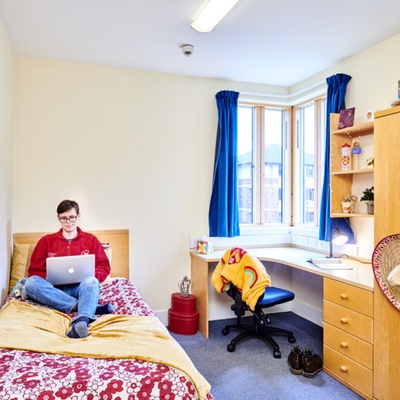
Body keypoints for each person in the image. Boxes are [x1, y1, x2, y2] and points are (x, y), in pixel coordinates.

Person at [24, 199, 114, 339]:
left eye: (72, 217)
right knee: (30, 283)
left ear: (78, 216)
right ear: (58, 218)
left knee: (91, 282)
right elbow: (34, 270)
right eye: (64, 218)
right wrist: (49, 278)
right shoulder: (46, 241)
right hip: (54, 290)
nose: (68, 221)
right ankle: (88, 307)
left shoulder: (91, 240)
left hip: (81, 288)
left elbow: (104, 267)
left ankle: (82, 321)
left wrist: (90, 274)